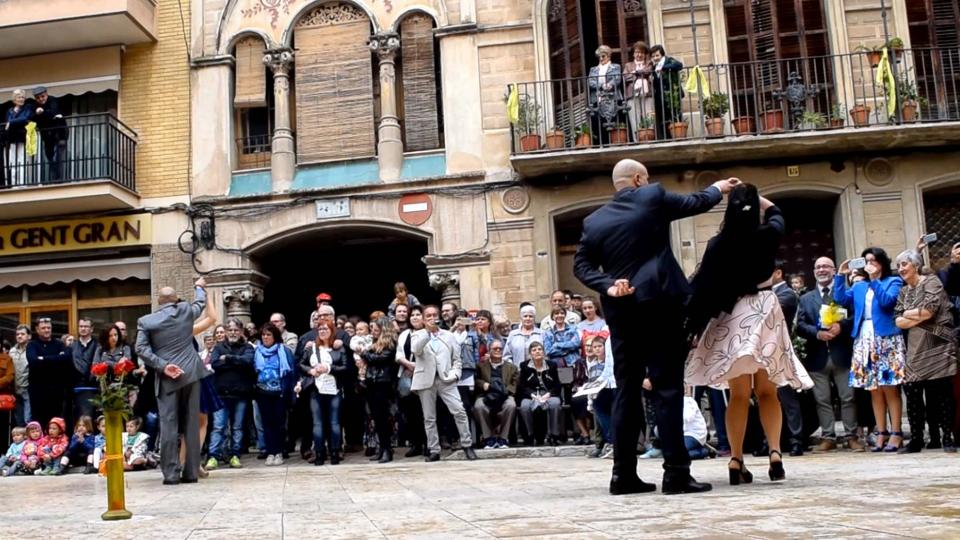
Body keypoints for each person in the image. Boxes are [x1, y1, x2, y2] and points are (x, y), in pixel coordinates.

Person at [574, 158, 735, 495]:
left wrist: (607, 284)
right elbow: (696, 202)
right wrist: (718, 188)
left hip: (621, 311)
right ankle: (676, 473)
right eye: (645, 179)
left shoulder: (594, 220)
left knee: (627, 391)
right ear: (638, 179)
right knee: (667, 388)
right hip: (660, 305)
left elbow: (582, 265)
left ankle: (622, 475)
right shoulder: (653, 196)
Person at [685, 185, 811, 486]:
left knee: (738, 395)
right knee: (768, 392)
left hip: (734, 315)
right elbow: (777, 213)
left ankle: (736, 458)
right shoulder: (768, 234)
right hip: (766, 310)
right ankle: (776, 453)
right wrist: (759, 201)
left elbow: (704, 283)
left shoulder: (718, 243)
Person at [135, 278, 209, 485]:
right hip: (191, 374)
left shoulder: (146, 321)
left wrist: (163, 365)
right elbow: (200, 303)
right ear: (175, 299)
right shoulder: (185, 310)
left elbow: (140, 349)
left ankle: (171, 474)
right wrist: (199, 286)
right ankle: (191, 472)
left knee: (168, 425)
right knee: (192, 425)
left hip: (167, 377)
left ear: (159, 301)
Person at [834, 248, 906, 452]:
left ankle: (896, 432)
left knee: (890, 387)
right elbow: (840, 299)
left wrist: (875, 279)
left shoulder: (893, 282)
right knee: (873, 389)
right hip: (864, 338)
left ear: (882, 263)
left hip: (886, 338)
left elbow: (887, 302)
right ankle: (881, 432)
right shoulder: (859, 286)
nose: (869, 264)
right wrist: (841, 275)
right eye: (866, 261)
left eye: (873, 260)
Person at [795, 257, 862, 454]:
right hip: (817, 356)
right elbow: (800, 325)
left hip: (842, 353)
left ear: (834, 270)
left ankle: (851, 436)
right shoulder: (806, 298)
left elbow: (854, 316)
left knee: (848, 397)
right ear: (813, 271)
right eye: (818, 267)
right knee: (821, 399)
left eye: (826, 266)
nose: (822, 270)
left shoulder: (844, 293)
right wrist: (817, 333)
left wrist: (840, 327)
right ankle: (828, 437)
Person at [894, 250, 958, 453]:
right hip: (915, 347)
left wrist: (909, 314)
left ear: (916, 265)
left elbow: (930, 310)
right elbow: (898, 320)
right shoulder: (904, 291)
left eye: (904, 264)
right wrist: (914, 316)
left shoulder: (932, 282)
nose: (901, 269)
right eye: (899, 265)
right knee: (912, 392)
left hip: (938, 344)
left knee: (942, 393)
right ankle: (916, 439)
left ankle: (946, 437)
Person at [411, 306, 478, 462]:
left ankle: (467, 444)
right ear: (423, 318)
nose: (432, 318)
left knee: (459, 410)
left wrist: (455, 374)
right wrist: (428, 332)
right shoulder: (417, 335)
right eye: (428, 315)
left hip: (446, 379)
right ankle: (434, 449)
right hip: (426, 380)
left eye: (434, 315)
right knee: (429, 417)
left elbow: (457, 359)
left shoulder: (448, 335)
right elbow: (416, 350)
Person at [771, 259, 810, 455]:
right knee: (768, 398)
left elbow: (770, 312)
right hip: (764, 353)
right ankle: (772, 441)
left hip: (781, 351)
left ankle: (796, 439)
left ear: (777, 273)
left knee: (788, 398)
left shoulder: (786, 294)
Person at [207, 318, 255, 470]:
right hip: (221, 394)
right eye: (230, 330)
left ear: (241, 332)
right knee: (218, 427)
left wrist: (227, 359)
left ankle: (235, 455)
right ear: (226, 332)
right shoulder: (218, 347)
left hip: (240, 394)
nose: (233, 333)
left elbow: (247, 361)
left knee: (238, 427)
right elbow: (215, 363)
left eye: (236, 330)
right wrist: (236, 363)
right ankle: (213, 456)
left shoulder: (248, 347)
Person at [302, 320, 348, 465]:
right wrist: (310, 370)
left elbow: (345, 367)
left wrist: (328, 368)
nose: (322, 331)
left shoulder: (338, 347)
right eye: (320, 329)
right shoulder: (311, 348)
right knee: (317, 423)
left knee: (334, 422)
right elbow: (301, 364)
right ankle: (319, 453)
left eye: (326, 329)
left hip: (334, 389)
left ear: (332, 331)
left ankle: (334, 452)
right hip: (316, 389)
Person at [255, 323, 296, 466]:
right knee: (267, 423)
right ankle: (270, 452)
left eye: (268, 335)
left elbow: (291, 373)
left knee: (279, 423)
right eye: (263, 335)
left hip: (279, 392)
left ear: (275, 337)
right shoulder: (257, 351)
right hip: (262, 392)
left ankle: (279, 452)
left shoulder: (284, 351)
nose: (265, 337)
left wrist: (291, 393)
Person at [362, 317, 399, 463]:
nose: (373, 332)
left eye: (376, 329)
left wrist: (365, 354)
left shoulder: (390, 344)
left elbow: (379, 359)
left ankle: (387, 449)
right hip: (372, 383)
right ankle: (382, 448)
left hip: (383, 384)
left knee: (383, 418)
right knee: (376, 418)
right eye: (372, 329)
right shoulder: (374, 343)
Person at [26, 317, 73, 429]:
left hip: (56, 390)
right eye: (43, 328)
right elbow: (33, 361)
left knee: (56, 421)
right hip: (38, 391)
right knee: (39, 421)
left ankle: (56, 444)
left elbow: (65, 359)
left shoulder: (59, 344)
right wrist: (55, 359)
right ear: (37, 330)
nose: (47, 330)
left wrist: (43, 359)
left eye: (49, 328)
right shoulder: (32, 345)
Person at [474, 339, 518, 449]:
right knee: (479, 406)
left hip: (505, 395)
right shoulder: (481, 366)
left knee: (511, 405)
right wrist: (483, 384)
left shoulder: (511, 367)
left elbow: (514, 383)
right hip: (486, 395)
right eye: (495, 348)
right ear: (489, 351)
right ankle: (489, 438)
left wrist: (505, 391)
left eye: (500, 348)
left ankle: (503, 438)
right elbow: (475, 380)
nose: (498, 350)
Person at [396, 305, 428, 457]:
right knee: (411, 413)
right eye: (412, 315)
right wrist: (409, 365)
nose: (415, 317)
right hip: (408, 375)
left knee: (427, 412)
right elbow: (399, 354)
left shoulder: (429, 333)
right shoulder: (404, 334)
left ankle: (430, 444)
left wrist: (419, 367)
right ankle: (416, 444)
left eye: (418, 314)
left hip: (426, 376)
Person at [518, 342, 562, 446]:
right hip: (531, 395)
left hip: (548, 394)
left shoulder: (551, 365)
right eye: (534, 350)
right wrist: (532, 395)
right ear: (530, 354)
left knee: (555, 404)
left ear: (543, 352)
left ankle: (554, 435)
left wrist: (548, 394)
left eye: (539, 349)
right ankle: (530, 435)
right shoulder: (524, 366)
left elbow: (557, 384)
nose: (537, 351)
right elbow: (522, 386)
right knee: (525, 406)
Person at [30, 86, 68, 182]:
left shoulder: (52, 100)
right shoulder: (35, 106)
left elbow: (54, 112)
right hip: (47, 136)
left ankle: (60, 179)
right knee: (50, 157)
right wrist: (42, 115)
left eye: (42, 96)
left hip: (59, 134)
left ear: (46, 94)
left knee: (59, 156)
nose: (41, 99)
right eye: (38, 98)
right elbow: (32, 117)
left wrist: (42, 113)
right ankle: (54, 178)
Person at [587, 45, 623, 145]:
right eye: (599, 56)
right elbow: (591, 82)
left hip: (613, 98)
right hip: (598, 99)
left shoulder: (616, 67)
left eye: (603, 56)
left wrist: (610, 85)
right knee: (598, 122)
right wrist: (602, 85)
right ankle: (601, 144)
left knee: (615, 121)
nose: (601, 58)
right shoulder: (593, 70)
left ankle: (617, 143)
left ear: (608, 56)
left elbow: (617, 79)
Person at [649, 45, 684, 140]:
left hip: (672, 95)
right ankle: (667, 139)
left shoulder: (669, 60)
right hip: (660, 97)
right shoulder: (653, 67)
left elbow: (679, 65)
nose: (655, 58)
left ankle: (678, 138)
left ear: (662, 55)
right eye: (653, 56)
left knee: (675, 116)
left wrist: (664, 67)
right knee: (663, 119)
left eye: (657, 55)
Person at [70, 317, 100, 421]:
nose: (83, 329)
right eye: (81, 326)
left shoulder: (98, 346)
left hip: (93, 387)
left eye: (86, 326)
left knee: (91, 417)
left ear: (91, 329)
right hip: (76, 388)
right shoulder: (72, 346)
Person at [4, 89, 36, 186]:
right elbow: (9, 120)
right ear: (14, 99)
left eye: (23, 97)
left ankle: (22, 183)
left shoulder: (28, 107)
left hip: (23, 137)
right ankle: (14, 184)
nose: (21, 99)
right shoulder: (10, 110)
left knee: (22, 161)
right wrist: (12, 122)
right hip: (12, 139)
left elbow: (25, 118)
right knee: (13, 162)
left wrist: (11, 122)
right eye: (19, 97)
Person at [623, 41, 655, 139]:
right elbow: (625, 77)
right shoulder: (628, 65)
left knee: (649, 115)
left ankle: (649, 138)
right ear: (633, 54)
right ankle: (637, 140)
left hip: (647, 93)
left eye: (641, 52)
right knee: (634, 117)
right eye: (637, 52)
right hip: (632, 94)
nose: (639, 55)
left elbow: (647, 71)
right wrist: (638, 74)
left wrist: (634, 73)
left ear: (645, 54)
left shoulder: (649, 63)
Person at [9, 325, 30, 426]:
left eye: (22, 334)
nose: (19, 336)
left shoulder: (32, 349)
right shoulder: (12, 351)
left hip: (28, 389)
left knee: (28, 419)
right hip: (15, 390)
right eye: (17, 334)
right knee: (18, 420)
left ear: (28, 336)